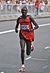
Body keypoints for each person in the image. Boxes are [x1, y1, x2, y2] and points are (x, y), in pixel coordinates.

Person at [15, 6, 39, 72]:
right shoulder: (19, 18)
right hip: (22, 35)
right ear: (21, 12)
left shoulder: (30, 17)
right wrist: (16, 29)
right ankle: (23, 66)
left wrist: (31, 29)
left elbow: (37, 26)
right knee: (22, 49)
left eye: (25, 11)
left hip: (29, 35)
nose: (24, 12)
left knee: (28, 53)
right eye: (22, 11)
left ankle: (31, 46)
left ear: (27, 11)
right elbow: (16, 26)